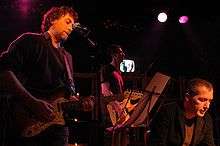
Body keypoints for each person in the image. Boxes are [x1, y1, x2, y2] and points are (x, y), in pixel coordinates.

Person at [0, 6, 93, 146]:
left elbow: (66, 94)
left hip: (58, 131)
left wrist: (79, 103)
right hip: (26, 124)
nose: (71, 27)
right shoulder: (30, 41)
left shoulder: (67, 57)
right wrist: (32, 102)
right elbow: (3, 71)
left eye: (73, 25)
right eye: (68, 21)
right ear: (53, 20)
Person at [148, 78, 216, 146]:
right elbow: (157, 143)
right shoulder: (168, 112)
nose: (207, 106)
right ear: (187, 97)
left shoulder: (206, 119)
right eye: (202, 100)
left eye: (209, 101)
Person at [99, 44, 129, 146]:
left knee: (121, 138)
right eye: (121, 52)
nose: (123, 54)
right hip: (110, 111)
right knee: (112, 139)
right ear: (114, 55)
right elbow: (105, 91)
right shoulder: (107, 69)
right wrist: (117, 107)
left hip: (119, 110)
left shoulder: (118, 72)